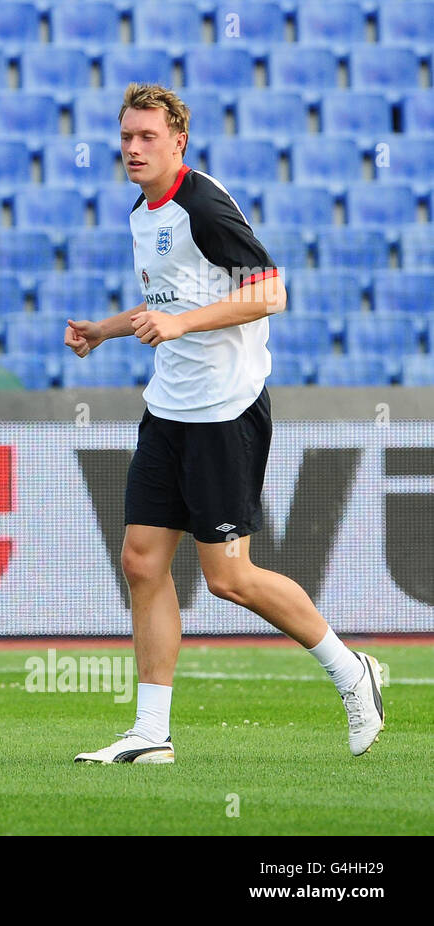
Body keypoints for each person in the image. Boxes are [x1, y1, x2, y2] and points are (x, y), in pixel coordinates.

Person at [64, 83, 384, 763]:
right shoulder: (142, 210)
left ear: (178, 141)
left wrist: (179, 323)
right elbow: (169, 299)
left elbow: (268, 291)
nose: (132, 148)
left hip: (223, 411)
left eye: (147, 136)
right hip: (169, 407)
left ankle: (352, 672)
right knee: (142, 561)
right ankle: (152, 733)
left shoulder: (201, 203)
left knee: (229, 577)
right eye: (125, 136)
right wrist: (105, 330)